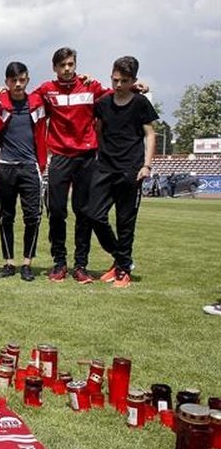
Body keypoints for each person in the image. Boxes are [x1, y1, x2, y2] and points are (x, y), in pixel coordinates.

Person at [34, 47, 111, 284]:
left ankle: (81, 265)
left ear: (75, 64)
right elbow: (20, 99)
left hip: (87, 157)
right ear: (54, 68)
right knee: (56, 210)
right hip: (59, 156)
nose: (67, 69)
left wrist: (138, 88)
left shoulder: (91, 86)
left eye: (70, 64)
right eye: (62, 65)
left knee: (84, 212)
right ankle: (59, 263)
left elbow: (118, 95)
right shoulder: (46, 90)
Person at [89, 56, 157, 289]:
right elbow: (99, 129)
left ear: (134, 81)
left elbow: (150, 134)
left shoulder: (140, 103)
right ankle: (122, 259)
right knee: (94, 214)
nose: (118, 85)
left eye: (124, 81)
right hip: (105, 167)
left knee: (124, 222)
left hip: (131, 170)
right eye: (115, 79)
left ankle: (123, 271)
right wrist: (103, 153)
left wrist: (146, 165)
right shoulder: (103, 103)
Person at [0, 62, 47, 282]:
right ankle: (8, 262)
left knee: (32, 216)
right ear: (6, 82)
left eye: (22, 80)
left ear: (27, 80)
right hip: (6, 166)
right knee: (6, 217)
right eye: (13, 80)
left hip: (29, 167)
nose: (18, 84)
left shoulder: (37, 102)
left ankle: (27, 263)